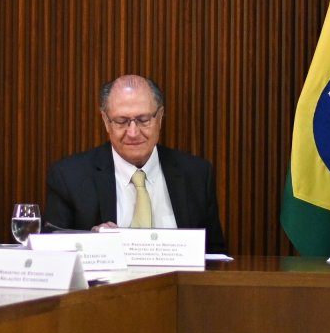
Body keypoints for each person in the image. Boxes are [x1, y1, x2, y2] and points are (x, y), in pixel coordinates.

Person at [44, 75, 227, 254]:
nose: (133, 132)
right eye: (121, 121)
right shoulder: (69, 177)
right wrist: (91, 245)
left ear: (160, 117)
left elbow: (215, 255)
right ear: (106, 122)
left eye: (143, 120)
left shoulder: (197, 175)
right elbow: (51, 251)